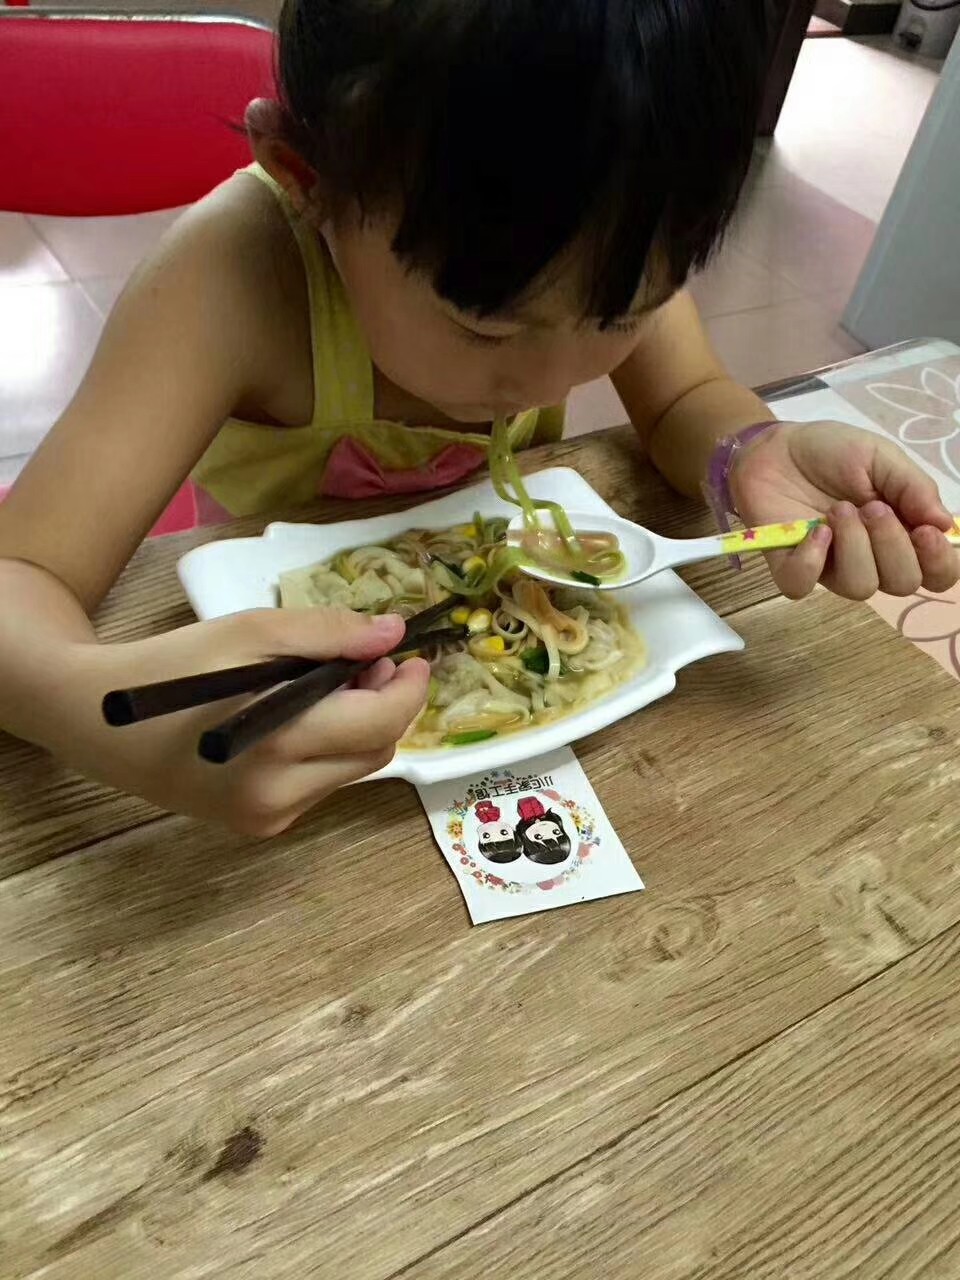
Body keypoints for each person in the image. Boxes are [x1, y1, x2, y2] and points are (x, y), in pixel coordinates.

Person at [0, 0, 956, 836]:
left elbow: (681, 399)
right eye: (486, 327)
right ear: (305, 178)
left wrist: (750, 451)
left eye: (621, 317)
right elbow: (21, 577)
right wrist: (97, 715)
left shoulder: (608, 230)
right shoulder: (230, 280)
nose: (555, 374)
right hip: (281, 735)